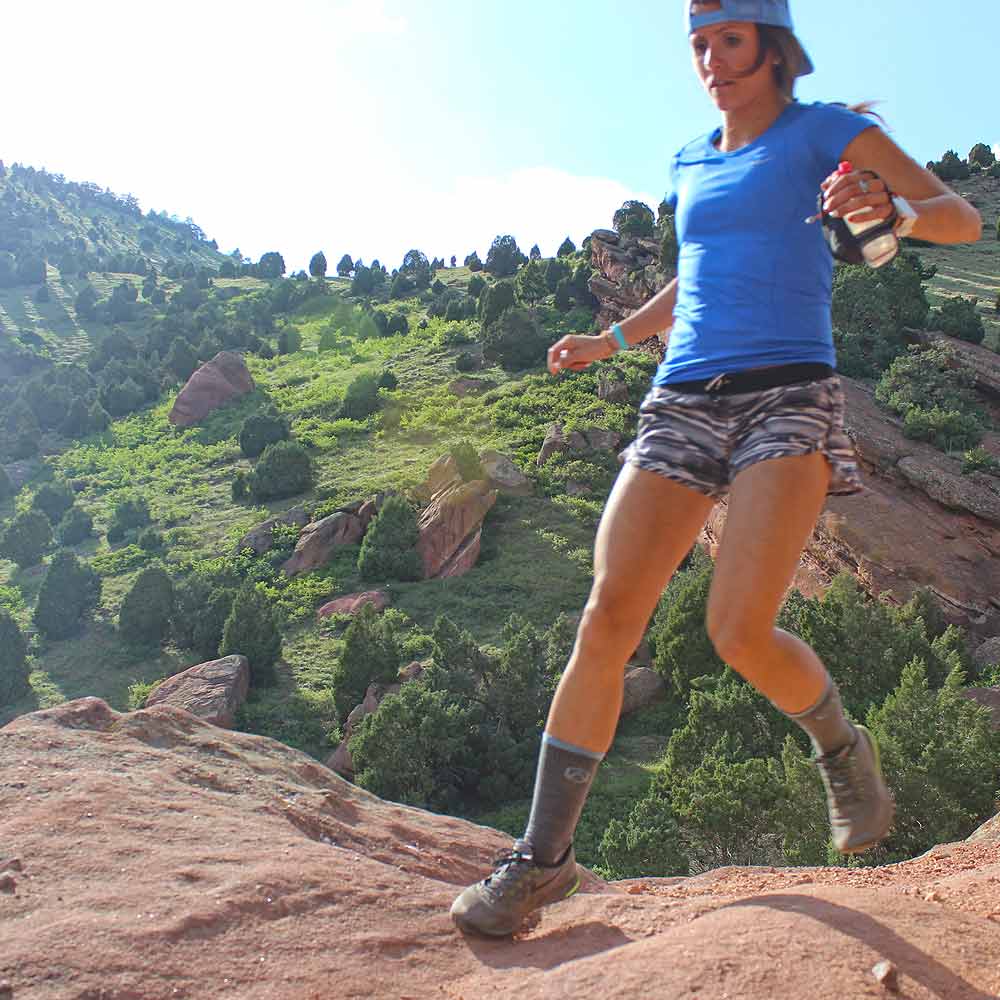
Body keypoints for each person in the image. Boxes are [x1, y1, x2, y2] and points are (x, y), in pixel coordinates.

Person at [451, 0, 982, 938]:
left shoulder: (830, 132)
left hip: (790, 395)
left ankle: (839, 745)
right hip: (685, 396)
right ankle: (542, 863)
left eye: (727, 41)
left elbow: (961, 218)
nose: (710, 61)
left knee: (737, 628)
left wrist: (889, 209)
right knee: (607, 616)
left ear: (771, 49)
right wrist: (612, 338)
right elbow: (693, 272)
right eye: (697, 45)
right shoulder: (692, 158)